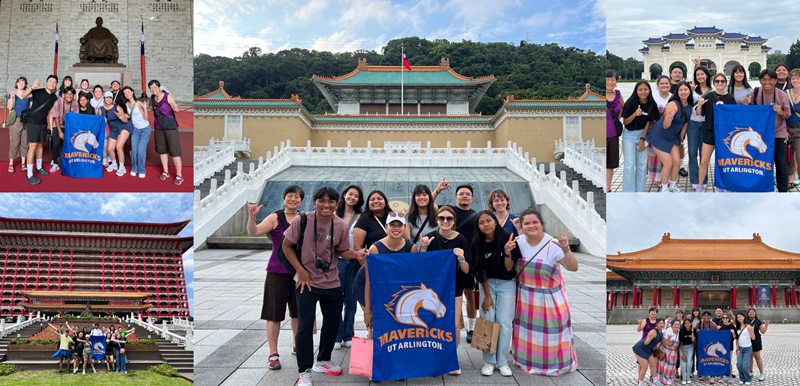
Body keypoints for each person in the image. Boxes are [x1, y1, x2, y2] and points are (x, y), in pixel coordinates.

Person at [281, 186, 367, 386]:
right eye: (321, 200)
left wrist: (356, 254)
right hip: (306, 282)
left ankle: (323, 360)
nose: (326, 205)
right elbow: (286, 245)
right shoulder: (302, 220)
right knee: (305, 326)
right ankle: (304, 371)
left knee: (332, 323)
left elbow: (343, 251)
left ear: (337, 204)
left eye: (331, 201)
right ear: (314, 202)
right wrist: (301, 270)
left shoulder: (340, 225)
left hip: (331, 282)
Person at [510, 209, 578, 376]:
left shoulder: (553, 244)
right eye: (527, 223)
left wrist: (566, 249)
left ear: (541, 224)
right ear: (522, 226)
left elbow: (572, 267)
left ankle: (552, 365)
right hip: (525, 298)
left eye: (535, 222)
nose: (531, 226)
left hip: (549, 299)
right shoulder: (518, 242)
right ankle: (525, 361)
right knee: (527, 333)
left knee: (551, 334)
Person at [246, 185, 304, 370]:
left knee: (298, 311)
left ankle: (297, 344)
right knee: (273, 313)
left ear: (301, 200)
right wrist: (252, 216)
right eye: (290, 196)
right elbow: (253, 232)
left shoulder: (305, 218)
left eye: (297, 197)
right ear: (284, 198)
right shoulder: (275, 217)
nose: (293, 199)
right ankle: (273, 353)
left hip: (300, 272)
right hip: (277, 271)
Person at [419, 205, 472, 375]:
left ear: (454, 221)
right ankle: (433, 356)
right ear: (437, 220)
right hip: (434, 288)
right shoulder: (430, 237)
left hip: (454, 286)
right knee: (432, 323)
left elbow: (466, 270)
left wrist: (461, 258)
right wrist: (424, 247)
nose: (445, 221)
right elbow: (421, 266)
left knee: (454, 324)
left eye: (449, 218)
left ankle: (451, 359)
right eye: (442, 218)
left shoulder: (461, 239)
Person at [471, 210, 521, 377]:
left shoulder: (508, 237)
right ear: (478, 226)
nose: (486, 224)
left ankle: (502, 361)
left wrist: (507, 252)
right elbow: (479, 269)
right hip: (487, 283)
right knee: (487, 319)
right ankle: (489, 361)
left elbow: (509, 268)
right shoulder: (477, 242)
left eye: (489, 220)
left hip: (507, 284)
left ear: (495, 221)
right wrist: (487, 295)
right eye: (481, 222)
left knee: (504, 322)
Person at [744, 69, 792, 192]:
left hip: (778, 132)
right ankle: (761, 187)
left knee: (780, 162)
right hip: (761, 133)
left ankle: (783, 190)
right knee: (760, 161)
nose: (767, 82)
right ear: (760, 81)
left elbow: (787, 115)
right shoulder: (755, 92)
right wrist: (747, 105)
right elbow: (752, 112)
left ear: (775, 81)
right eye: (764, 79)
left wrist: (781, 112)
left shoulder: (782, 95)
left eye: (770, 79)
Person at [444, 184, 479, 342]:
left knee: (469, 294)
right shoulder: (450, 212)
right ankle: (450, 324)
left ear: (472, 198)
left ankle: (471, 328)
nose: (464, 196)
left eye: (467, 194)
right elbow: (431, 206)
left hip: (468, 260)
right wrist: (438, 190)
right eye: (461, 194)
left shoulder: (476, 216)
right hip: (449, 260)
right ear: (456, 197)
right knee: (450, 294)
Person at [646, 81, 694, 192]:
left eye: (685, 90)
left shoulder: (689, 106)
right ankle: (664, 189)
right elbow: (665, 125)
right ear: (677, 92)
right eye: (680, 90)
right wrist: (670, 117)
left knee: (677, 162)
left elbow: (685, 124)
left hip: (673, 137)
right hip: (659, 136)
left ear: (689, 91)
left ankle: (672, 186)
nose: (683, 92)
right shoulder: (673, 104)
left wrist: (681, 139)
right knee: (668, 163)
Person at [334, 185, 364, 351]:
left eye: (356, 196)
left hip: (354, 260)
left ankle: (349, 334)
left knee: (351, 300)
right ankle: (337, 335)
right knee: (336, 298)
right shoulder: (333, 215)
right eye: (350, 194)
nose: (352, 197)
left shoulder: (361, 217)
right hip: (336, 261)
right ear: (344, 195)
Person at [696, 73, 737, 192]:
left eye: (722, 81)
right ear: (714, 83)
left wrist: (725, 107)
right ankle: (700, 185)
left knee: (722, 161)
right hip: (710, 130)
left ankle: (720, 185)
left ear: (725, 83)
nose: (720, 83)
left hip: (724, 133)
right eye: (717, 81)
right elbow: (699, 113)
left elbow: (734, 116)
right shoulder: (708, 96)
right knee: (704, 161)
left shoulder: (730, 98)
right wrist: (699, 105)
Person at [18, 75, 59, 185]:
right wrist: (32, 87)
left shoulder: (54, 97)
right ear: (46, 82)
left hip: (43, 123)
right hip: (33, 122)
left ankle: (39, 167)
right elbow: (23, 95)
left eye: (54, 82)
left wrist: (51, 126)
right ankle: (29, 174)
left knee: (40, 145)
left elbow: (51, 112)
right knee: (32, 147)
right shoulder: (38, 92)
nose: (52, 84)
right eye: (50, 81)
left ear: (56, 85)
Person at [621, 81, 659, 192]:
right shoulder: (630, 102)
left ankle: (640, 190)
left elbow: (649, 122)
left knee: (642, 164)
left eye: (645, 89)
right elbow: (626, 122)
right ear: (636, 91)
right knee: (629, 164)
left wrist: (642, 139)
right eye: (640, 89)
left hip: (643, 134)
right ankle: (628, 191)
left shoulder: (652, 104)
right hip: (629, 135)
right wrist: (635, 114)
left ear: (649, 90)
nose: (643, 92)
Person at [149, 80, 184, 185]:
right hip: (158, 126)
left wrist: (175, 108)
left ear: (159, 87)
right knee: (162, 150)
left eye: (155, 87)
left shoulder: (167, 96)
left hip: (170, 126)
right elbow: (151, 107)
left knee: (174, 151)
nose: (153, 89)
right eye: (151, 88)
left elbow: (177, 110)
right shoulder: (152, 98)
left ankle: (179, 175)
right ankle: (165, 172)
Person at [687, 66, 712, 189]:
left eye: (702, 74)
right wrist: (690, 92)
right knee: (692, 153)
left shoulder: (712, 90)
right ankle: (694, 179)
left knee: (704, 154)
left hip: (706, 124)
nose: (700, 77)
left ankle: (703, 179)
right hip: (692, 124)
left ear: (707, 75)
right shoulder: (692, 89)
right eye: (698, 75)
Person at [100, 90, 132, 177]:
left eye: (110, 98)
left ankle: (122, 167)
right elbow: (100, 122)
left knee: (118, 147)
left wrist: (120, 116)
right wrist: (103, 122)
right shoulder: (101, 109)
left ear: (112, 99)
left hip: (124, 127)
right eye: (107, 98)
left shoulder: (116, 107)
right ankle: (114, 164)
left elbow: (125, 120)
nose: (109, 99)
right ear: (104, 98)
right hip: (114, 129)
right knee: (110, 149)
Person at [649, 75, 673, 185]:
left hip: (670, 132)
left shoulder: (673, 97)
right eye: (662, 83)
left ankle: (668, 178)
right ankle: (658, 179)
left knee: (668, 155)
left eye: (666, 83)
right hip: (655, 131)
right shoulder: (652, 97)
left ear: (670, 85)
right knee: (657, 156)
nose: (664, 85)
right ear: (658, 85)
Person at [50, 86, 79, 172]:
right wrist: (60, 132)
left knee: (68, 143)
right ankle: (55, 162)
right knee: (56, 143)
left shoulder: (75, 103)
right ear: (64, 94)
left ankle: (64, 161)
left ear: (74, 95)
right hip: (57, 124)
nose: (69, 96)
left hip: (69, 126)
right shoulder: (58, 102)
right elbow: (56, 118)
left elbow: (75, 118)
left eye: (71, 94)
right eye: (67, 94)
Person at [668, 64, 689, 178]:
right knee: (668, 143)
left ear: (682, 75)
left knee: (680, 143)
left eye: (679, 72)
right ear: (671, 74)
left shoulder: (685, 86)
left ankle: (680, 166)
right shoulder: (667, 85)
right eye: (675, 72)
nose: (677, 74)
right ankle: (669, 164)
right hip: (669, 120)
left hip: (681, 120)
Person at [125, 88, 151, 178]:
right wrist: (122, 115)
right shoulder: (127, 104)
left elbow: (146, 118)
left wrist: (145, 109)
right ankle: (134, 168)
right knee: (134, 151)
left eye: (128, 92)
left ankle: (141, 170)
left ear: (132, 92)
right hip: (135, 130)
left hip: (145, 130)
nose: (127, 94)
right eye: (125, 93)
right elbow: (130, 115)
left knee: (140, 151)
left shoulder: (139, 103)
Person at [6, 77, 31, 174]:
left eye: (23, 82)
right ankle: (11, 163)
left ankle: (23, 163)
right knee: (14, 142)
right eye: (19, 82)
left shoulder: (28, 95)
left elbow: (31, 107)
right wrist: (12, 98)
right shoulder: (12, 94)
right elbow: (10, 107)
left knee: (25, 142)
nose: (21, 84)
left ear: (25, 85)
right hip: (16, 120)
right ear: (16, 84)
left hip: (26, 120)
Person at [404, 184, 439, 250]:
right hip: (417, 254)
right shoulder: (408, 218)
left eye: (424, 195)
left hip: (435, 253)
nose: (421, 197)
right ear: (414, 198)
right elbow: (408, 242)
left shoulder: (438, 216)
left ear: (429, 197)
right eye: (418, 195)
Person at [634, 318, 664, 386]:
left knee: (653, 364)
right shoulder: (653, 331)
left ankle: (655, 381)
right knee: (645, 366)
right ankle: (640, 383)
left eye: (662, 323)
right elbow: (645, 342)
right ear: (657, 324)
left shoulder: (661, 333)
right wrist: (650, 338)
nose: (661, 324)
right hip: (640, 349)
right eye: (660, 323)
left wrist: (653, 353)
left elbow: (655, 344)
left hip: (649, 350)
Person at [607, 69, 622, 192]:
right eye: (607, 79)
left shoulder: (618, 95)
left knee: (610, 164)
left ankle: (608, 188)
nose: (610, 82)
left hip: (613, 135)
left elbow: (624, 108)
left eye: (613, 79)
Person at [656, 319, 681, 386]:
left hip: (673, 352)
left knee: (671, 367)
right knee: (663, 366)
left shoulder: (680, 332)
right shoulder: (667, 331)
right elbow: (663, 343)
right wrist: (668, 339)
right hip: (664, 351)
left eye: (678, 324)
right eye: (675, 324)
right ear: (672, 325)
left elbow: (678, 344)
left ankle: (669, 379)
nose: (677, 326)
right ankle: (662, 380)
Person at [745, 309, 768, 381]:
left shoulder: (758, 321)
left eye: (753, 312)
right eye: (750, 312)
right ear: (748, 313)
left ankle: (761, 373)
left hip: (756, 340)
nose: (751, 313)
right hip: (747, 339)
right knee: (750, 356)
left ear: (755, 313)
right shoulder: (745, 321)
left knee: (757, 357)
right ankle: (750, 371)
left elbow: (763, 331)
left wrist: (766, 325)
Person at [694, 311, 718, 382]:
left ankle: (712, 376)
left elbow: (716, 334)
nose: (706, 317)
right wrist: (698, 331)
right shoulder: (699, 323)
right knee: (703, 359)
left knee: (712, 359)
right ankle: (705, 374)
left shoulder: (713, 324)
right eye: (704, 315)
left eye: (708, 315)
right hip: (701, 344)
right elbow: (696, 332)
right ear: (702, 316)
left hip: (711, 344)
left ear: (710, 317)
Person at [786, 69, 800, 187]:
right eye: (793, 78)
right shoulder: (785, 93)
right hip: (787, 129)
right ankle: (789, 179)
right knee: (788, 156)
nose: (795, 80)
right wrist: (783, 130)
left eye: (798, 78)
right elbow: (781, 113)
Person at [734, 312, 755, 385]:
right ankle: (742, 378)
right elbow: (737, 339)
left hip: (747, 349)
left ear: (744, 317)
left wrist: (752, 330)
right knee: (739, 365)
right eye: (738, 317)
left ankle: (748, 378)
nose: (739, 318)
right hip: (740, 349)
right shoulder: (737, 327)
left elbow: (753, 338)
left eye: (740, 316)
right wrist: (737, 349)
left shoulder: (748, 326)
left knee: (745, 365)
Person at [717, 313, 738, 384]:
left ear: (728, 318)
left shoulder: (732, 326)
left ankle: (730, 376)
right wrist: (717, 329)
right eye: (723, 318)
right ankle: (721, 375)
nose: (725, 319)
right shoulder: (720, 326)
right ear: (722, 319)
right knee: (721, 361)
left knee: (728, 361)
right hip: (721, 346)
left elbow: (735, 337)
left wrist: (733, 333)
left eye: (726, 317)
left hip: (729, 345)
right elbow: (716, 336)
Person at [678, 319, 694, 385]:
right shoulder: (682, 331)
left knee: (689, 362)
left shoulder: (693, 330)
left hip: (690, 347)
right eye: (685, 324)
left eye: (688, 323)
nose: (687, 325)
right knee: (683, 363)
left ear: (691, 323)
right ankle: (684, 378)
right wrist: (683, 354)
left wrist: (692, 330)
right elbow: (681, 343)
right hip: (683, 347)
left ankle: (688, 378)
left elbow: (693, 340)